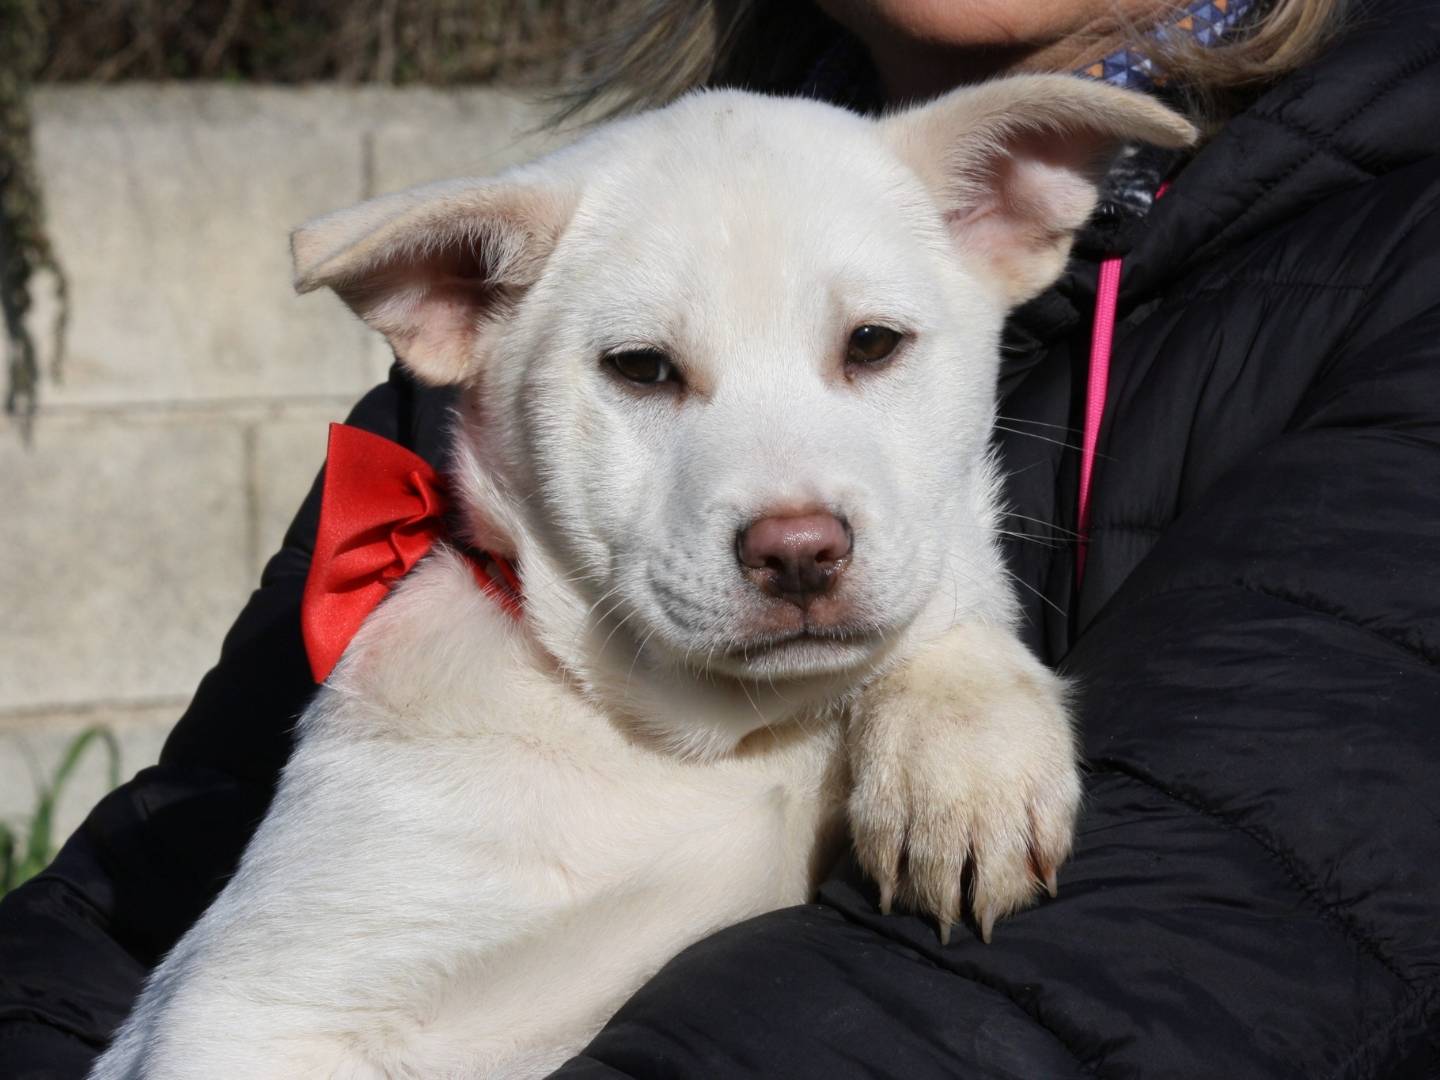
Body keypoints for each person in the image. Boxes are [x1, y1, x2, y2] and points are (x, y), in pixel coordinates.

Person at [3, 0, 1438, 1074]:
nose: (788, 517)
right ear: (456, 319)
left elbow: (1163, 959)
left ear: (1016, 213)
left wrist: (954, 669)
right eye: (645, 372)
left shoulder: (1391, 251)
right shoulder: (500, 374)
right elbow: (158, 907)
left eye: (869, 344)